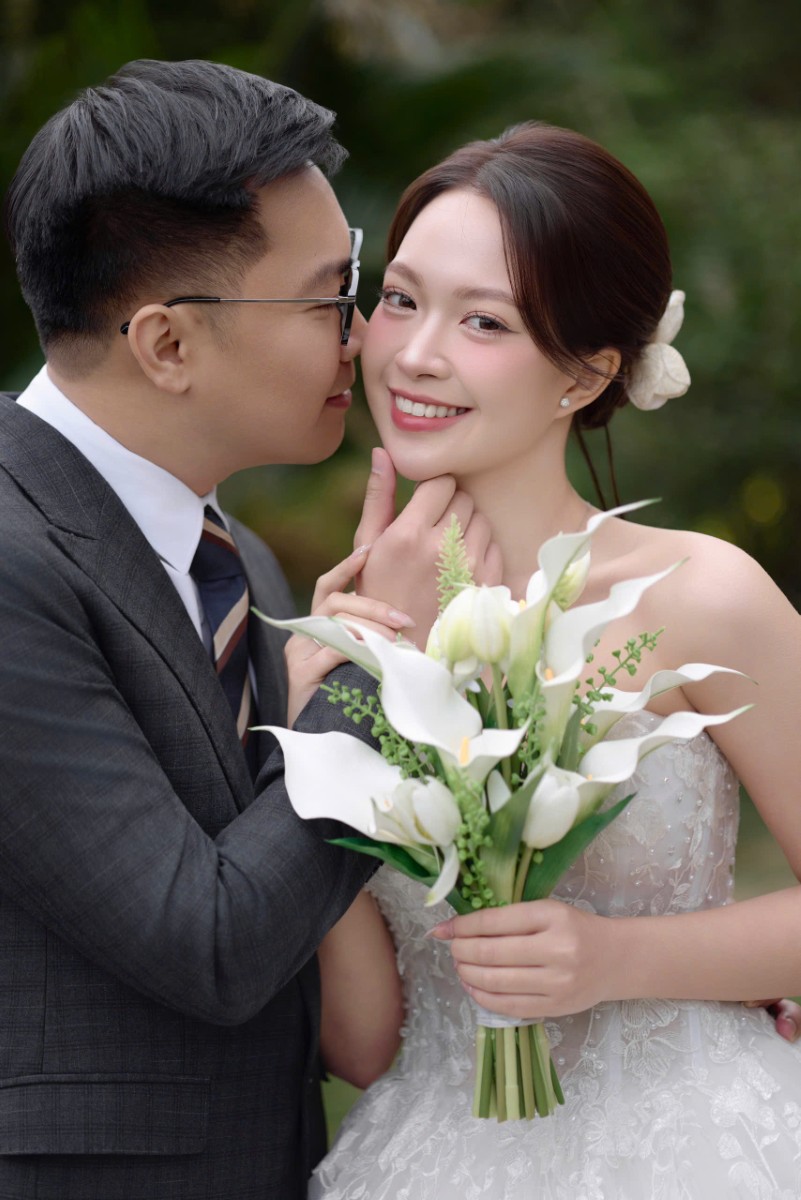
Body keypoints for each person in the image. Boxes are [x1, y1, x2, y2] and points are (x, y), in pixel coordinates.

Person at [0, 58, 501, 1200]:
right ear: (168, 345)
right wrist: (383, 669)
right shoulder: (11, 557)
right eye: (327, 297)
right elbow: (211, 943)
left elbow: (310, 946)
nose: (360, 334)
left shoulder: (244, 566)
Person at [308, 123, 801, 1198]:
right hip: (429, 1160)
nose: (416, 353)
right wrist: (319, 700)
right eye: (401, 299)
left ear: (587, 372)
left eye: (483, 320)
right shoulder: (334, 643)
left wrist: (617, 961)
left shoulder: (701, 596)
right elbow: (364, 1043)